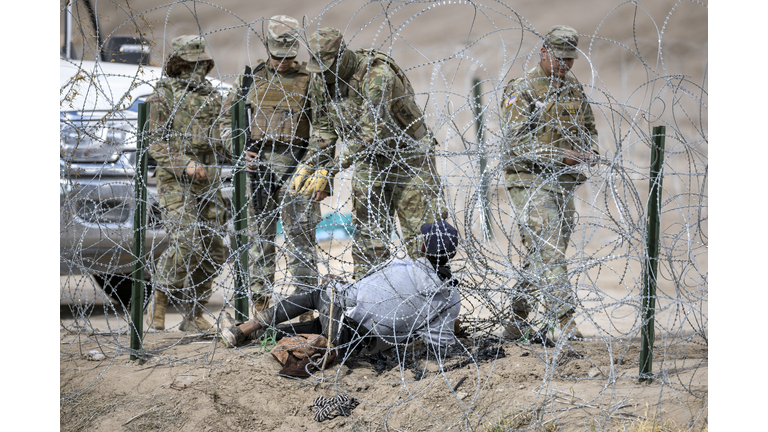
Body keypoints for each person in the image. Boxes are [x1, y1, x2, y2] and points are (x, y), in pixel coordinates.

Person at [289, 27, 448, 279]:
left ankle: (432, 301)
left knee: (422, 236)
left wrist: (331, 168)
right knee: (369, 238)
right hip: (367, 158)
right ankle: (370, 299)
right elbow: (323, 128)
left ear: (343, 55)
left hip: (408, 157)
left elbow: (371, 129)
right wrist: (313, 165)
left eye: (329, 67)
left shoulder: (376, 74)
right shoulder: (321, 79)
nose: (325, 75)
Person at [220, 221, 462, 358]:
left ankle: (245, 328)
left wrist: (334, 284)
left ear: (422, 247)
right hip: (359, 345)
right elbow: (440, 344)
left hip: (342, 331)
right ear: (451, 254)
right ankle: (256, 337)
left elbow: (351, 296)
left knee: (321, 295)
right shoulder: (450, 298)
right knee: (314, 326)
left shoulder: (401, 264)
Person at [499, 25, 600, 341]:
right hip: (528, 179)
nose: (564, 65)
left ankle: (516, 321)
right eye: (559, 59)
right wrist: (560, 155)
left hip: (562, 181)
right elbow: (515, 143)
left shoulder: (571, 88)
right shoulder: (523, 89)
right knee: (551, 250)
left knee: (542, 253)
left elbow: (588, 126)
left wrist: (590, 150)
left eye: (570, 60)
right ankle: (566, 323)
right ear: (543, 53)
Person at [218, 15, 319, 322]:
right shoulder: (249, 80)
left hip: (298, 168)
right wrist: (237, 149)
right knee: (258, 245)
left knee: (302, 245)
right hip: (259, 170)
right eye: (278, 57)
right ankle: (260, 314)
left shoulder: (310, 81)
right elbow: (225, 122)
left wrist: (314, 165)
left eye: (289, 57)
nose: (284, 63)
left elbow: (325, 127)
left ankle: (306, 312)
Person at [145, 35, 227, 332]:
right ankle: (160, 297)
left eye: (202, 63)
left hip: (208, 180)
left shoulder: (213, 96)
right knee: (188, 238)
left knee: (214, 247)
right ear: (179, 64)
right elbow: (154, 144)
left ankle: (195, 313)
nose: (199, 70)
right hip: (174, 180)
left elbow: (224, 137)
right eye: (192, 64)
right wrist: (184, 163)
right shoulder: (163, 95)